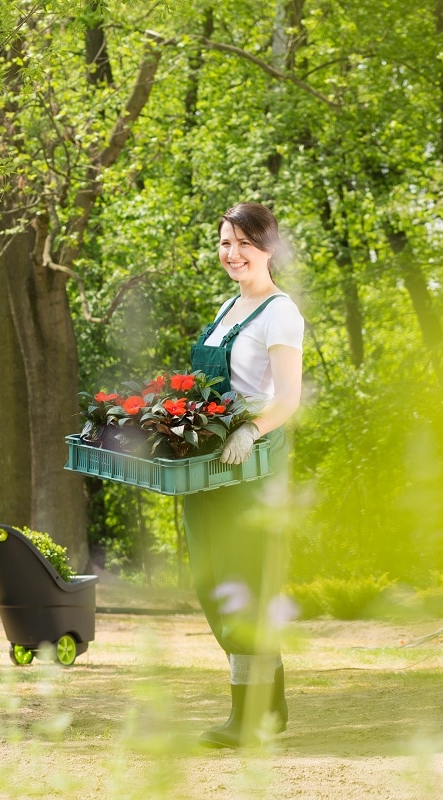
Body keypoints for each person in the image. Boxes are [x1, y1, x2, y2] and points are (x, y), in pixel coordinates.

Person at [183, 201, 304, 748]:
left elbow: (289, 398)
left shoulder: (281, 313)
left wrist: (249, 431)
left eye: (244, 244)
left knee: (243, 585)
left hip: (249, 469)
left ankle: (250, 716)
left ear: (269, 248)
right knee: (214, 583)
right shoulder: (227, 307)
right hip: (210, 468)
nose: (232, 254)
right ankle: (267, 710)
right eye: (225, 243)